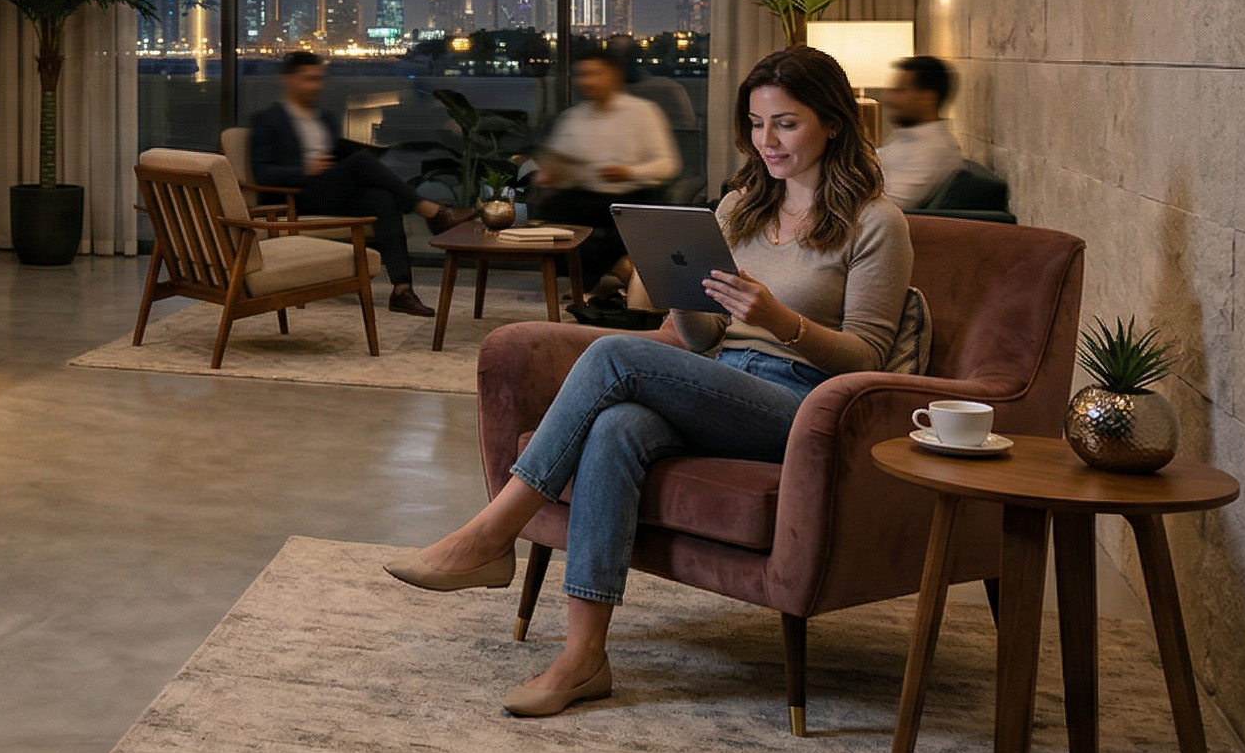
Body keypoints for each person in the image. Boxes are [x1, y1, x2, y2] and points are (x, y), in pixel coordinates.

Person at [383, 46, 912, 717]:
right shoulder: (740, 208)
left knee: (612, 358)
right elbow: (703, 340)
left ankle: (492, 533)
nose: (765, 141)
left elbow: (869, 359)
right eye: (755, 123)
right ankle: (583, 658)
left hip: (804, 408)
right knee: (616, 426)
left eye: (785, 123)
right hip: (721, 381)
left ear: (832, 123)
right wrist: (685, 298)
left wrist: (782, 322)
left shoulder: (875, 223)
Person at [249, 52, 474, 316]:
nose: (316, 86)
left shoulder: (322, 118)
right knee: (361, 163)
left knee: (382, 198)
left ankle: (402, 290)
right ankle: (433, 212)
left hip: (330, 191)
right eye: (308, 79)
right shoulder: (267, 121)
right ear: (289, 80)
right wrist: (303, 170)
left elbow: (332, 155)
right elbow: (262, 174)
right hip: (294, 197)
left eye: (319, 79)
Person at [529, 48, 680, 302]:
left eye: (594, 74)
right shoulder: (574, 117)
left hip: (632, 194)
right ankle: (612, 272)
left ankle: (602, 278)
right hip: (587, 194)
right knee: (549, 214)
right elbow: (560, 162)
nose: (587, 81)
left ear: (613, 76)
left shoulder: (643, 112)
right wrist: (551, 174)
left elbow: (668, 164)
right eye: (583, 75)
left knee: (632, 217)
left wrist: (629, 172)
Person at [878, 55, 964, 209]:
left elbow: (891, 206)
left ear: (927, 98)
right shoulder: (909, 138)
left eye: (900, 91)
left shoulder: (935, 149)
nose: (889, 99)